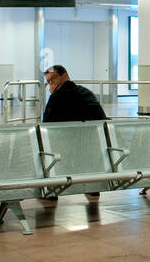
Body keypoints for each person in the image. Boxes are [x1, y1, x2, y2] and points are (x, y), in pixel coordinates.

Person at [42, 65, 107, 200]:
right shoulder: (85, 93)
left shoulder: (56, 98)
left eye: (54, 79)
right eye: (49, 81)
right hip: (92, 145)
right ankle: (93, 186)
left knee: (44, 149)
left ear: (65, 76)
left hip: (67, 148)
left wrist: (53, 95)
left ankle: (51, 189)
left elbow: (46, 126)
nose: (52, 83)